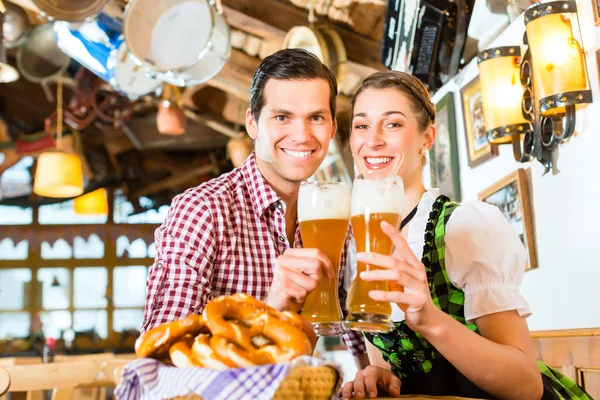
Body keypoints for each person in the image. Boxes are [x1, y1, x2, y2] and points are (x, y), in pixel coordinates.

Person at [341, 71, 589, 399]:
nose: (372, 140)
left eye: (393, 124)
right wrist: (378, 373)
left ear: (427, 139)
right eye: (361, 125)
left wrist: (430, 319)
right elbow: (390, 359)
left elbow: (526, 387)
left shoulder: (463, 227)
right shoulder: (356, 243)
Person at [141, 48, 368, 367]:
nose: (301, 135)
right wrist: (269, 307)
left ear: (331, 128)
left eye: (315, 117)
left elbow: (350, 320)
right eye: (282, 117)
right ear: (252, 123)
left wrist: (372, 371)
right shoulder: (203, 210)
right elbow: (159, 355)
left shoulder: (330, 214)